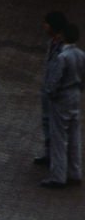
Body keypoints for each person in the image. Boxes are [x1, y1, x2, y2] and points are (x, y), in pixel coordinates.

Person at [42, 23, 85, 188]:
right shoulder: (81, 54)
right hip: (75, 95)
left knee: (59, 138)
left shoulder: (62, 57)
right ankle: (75, 173)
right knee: (74, 136)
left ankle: (58, 177)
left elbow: (54, 82)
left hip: (62, 98)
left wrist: (50, 94)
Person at [36, 10, 68, 166]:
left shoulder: (63, 48)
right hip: (48, 92)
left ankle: (58, 161)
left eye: (46, 23)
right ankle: (49, 155)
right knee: (47, 122)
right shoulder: (52, 43)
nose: (44, 26)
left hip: (57, 95)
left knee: (57, 127)